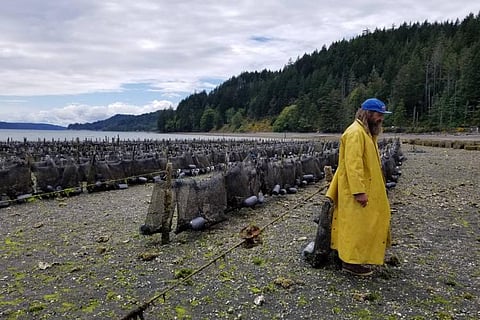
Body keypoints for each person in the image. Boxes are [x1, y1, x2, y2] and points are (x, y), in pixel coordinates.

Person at [326, 98, 392, 276]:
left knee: (364, 226)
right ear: (368, 113)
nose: (381, 119)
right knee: (355, 227)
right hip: (358, 191)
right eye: (379, 115)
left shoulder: (366, 133)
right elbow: (352, 165)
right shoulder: (355, 133)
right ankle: (351, 263)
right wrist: (359, 191)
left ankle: (359, 258)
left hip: (367, 189)